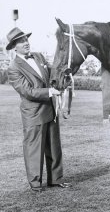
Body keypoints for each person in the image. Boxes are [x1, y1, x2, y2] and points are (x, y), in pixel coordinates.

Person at [6, 27, 72, 192]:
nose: (26, 43)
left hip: (50, 110)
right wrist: (50, 92)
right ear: (14, 47)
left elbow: (52, 74)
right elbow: (27, 92)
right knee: (34, 149)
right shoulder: (13, 68)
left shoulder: (39, 56)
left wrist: (64, 76)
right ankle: (35, 183)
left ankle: (56, 179)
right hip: (33, 114)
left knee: (54, 147)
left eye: (26, 39)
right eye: (21, 41)